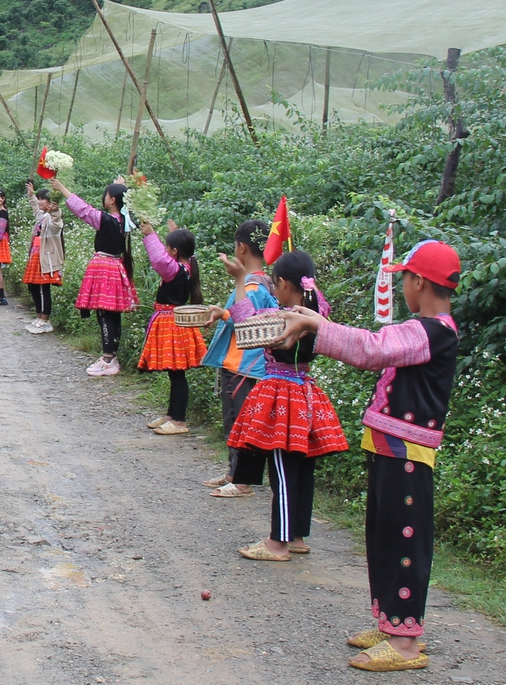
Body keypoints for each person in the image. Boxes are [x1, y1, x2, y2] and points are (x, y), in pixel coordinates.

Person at [277, 239, 460, 673]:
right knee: (382, 538)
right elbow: (373, 347)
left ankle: (405, 643)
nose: (402, 291)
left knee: (403, 543)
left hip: (408, 455)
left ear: (418, 281)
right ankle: (390, 622)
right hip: (388, 449)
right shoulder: (422, 328)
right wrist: (316, 327)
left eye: (405, 281)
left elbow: (373, 349)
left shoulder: (433, 331)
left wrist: (319, 327)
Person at [230, 251, 348, 559]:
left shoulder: (282, 318)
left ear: (283, 283)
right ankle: (296, 536)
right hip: (306, 394)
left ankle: (277, 543)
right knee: (302, 467)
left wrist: (241, 281)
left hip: (280, 396)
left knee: (281, 467)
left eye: (275, 283)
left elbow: (244, 323)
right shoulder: (316, 313)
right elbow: (318, 299)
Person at [201, 219, 274, 498]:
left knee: (240, 423)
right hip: (246, 365)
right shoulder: (264, 281)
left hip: (245, 365)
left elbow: (249, 323)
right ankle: (234, 472)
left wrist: (224, 313)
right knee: (235, 421)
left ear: (241, 248)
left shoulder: (253, 285)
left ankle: (242, 482)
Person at [138, 221, 207, 433]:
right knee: (174, 372)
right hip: (173, 323)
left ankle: (179, 421)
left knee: (177, 373)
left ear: (175, 252)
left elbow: (160, 260)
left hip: (172, 324)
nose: (166, 252)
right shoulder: (184, 268)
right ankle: (172, 414)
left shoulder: (176, 271)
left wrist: (151, 235)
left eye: (169, 248)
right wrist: (174, 233)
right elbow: (168, 257)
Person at [63, 183, 138, 376]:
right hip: (116, 267)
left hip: (104, 267)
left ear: (112, 200)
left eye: (106, 195)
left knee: (104, 312)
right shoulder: (123, 220)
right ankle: (112, 355)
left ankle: (107, 358)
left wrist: (61, 187)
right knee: (113, 313)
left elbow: (82, 209)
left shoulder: (106, 220)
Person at [21, 182, 65, 334]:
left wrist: (56, 210)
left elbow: (57, 222)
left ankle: (46, 320)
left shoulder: (52, 219)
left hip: (45, 257)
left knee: (42, 287)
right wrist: (31, 195)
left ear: (50, 203)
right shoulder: (41, 216)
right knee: (33, 286)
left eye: (42, 199)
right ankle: (39, 317)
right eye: (39, 199)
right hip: (36, 255)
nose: (39, 202)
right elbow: (35, 208)